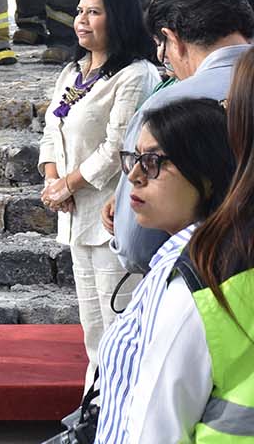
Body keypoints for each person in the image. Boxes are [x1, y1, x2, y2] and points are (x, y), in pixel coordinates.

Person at [36, 0, 159, 385]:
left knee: (117, 324)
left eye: (94, 12)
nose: (82, 21)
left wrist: (68, 184)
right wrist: (54, 179)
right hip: (74, 217)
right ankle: (97, 404)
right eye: (80, 11)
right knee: (93, 329)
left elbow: (117, 145)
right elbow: (53, 128)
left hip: (111, 215)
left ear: (118, 19)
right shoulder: (74, 71)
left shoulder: (135, 74)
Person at [92, 98, 235, 443]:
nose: (136, 176)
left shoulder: (194, 281)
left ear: (207, 174)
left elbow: (159, 428)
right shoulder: (176, 259)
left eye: (154, 162)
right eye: (135, 159)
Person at [108, 0, 254, 273]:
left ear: (172, 39)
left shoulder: (169, 106)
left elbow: (136, 246)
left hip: (211, 283)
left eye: (162, 51)